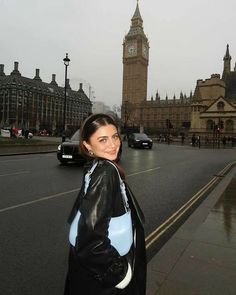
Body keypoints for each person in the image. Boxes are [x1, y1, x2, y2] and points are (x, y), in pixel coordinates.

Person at [64, 113, 146, 295]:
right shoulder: (106, 173)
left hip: (86, 275)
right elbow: (90, 240)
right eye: (103, 140)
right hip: (105, 283)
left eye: (115, 136)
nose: (113, 144)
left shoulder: (95, 166)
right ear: (87, 145)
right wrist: (120, 274)